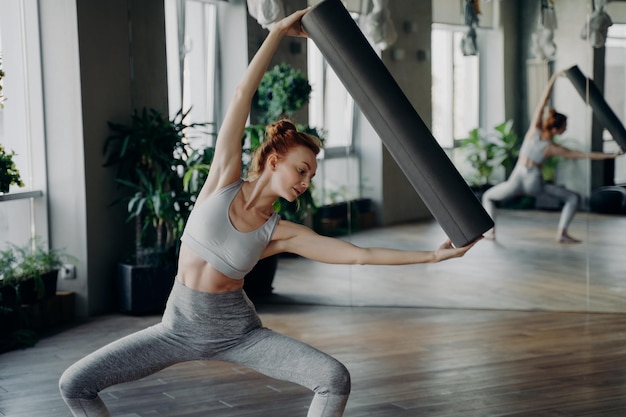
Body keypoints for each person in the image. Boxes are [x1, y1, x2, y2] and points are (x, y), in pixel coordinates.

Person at [59, 9, 479, 417]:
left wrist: (434, 256)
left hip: (239, 335)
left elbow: (357, 254)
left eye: (311, 176)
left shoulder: (280, 232)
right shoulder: (221, 181)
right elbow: (242, 96)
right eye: (302, 169)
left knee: (333, 377)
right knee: (74, 384)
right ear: (274, 159)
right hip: (175, 331)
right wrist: (276, 32)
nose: (306, 181)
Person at [482, 69, 623, 244]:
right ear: (557, 128)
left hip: (517, 178)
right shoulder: (552, 148)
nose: (566, 129)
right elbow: (585, 155)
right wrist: (612, 155)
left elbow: (543, 102)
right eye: (565, 126)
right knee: (573, 198)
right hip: (534, 182)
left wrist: (554, 78)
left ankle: (491, 232)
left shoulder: (534, 131)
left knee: (488, 197)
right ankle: (561, 234)